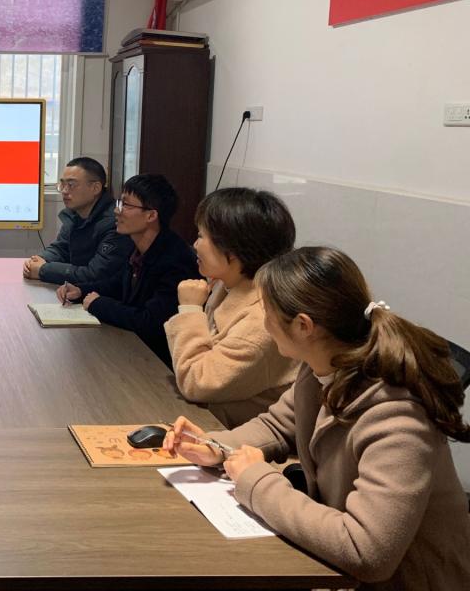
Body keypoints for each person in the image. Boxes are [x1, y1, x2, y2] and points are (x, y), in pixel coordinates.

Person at [163, 247, 470, 591]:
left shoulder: (398, 415)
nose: (264, 325)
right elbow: (277, 425)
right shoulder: (321, 368)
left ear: (303, 326)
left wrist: (257, 480)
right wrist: (215, 446)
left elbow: (367, 551)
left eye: (267, 314)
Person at [164, 188, 299, 426]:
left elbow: (197, 382)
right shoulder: (230, 284)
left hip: (238, 433)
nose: (195, 244)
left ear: (234, 250)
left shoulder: (263, 319)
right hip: (215, 419)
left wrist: (190, 309)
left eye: (201, 236)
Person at [56, 174, 196, 367]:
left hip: (159, 363)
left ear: (151, 215)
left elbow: (150, 322)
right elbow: (118, 284)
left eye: (126, 205)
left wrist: (99, 304)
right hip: (134, 350)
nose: (117, 210)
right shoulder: (139, 246)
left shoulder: (175, 261)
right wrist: (81, 290)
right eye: (119, 203)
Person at [23, 157, 132, 285]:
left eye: (71, 185)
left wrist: (43, 269)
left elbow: (95, 274)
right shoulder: (74, 214)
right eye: (62, 184)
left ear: (95, 188)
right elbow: (61, 248)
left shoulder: (115, 223)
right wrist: (40, 260)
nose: (64, 191)